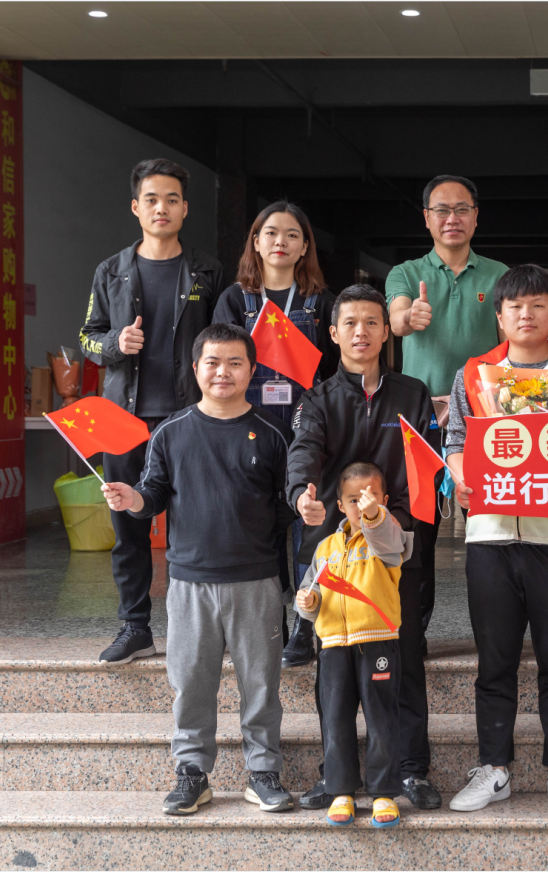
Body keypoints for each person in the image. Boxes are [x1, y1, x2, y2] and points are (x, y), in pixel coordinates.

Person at [100, 323, 295, 816]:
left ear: (252, 370)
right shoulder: (171, 431)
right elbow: (153, 493)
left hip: (256, 580)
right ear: (195, 368)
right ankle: (191, 773)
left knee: (261, 685)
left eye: (234, 362)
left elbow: (286, 506)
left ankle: (263, 773)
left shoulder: (274, 433)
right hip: (189, 583)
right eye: (212, 362)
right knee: (191, 683)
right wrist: (132, 499)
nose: (222, 372)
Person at [445, 265, 548, 814]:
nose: (526, 314)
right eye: (515, 306)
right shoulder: (474, 373)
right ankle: (494, 769)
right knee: (495, 659)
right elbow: (457, 439)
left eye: (538, 305)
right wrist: (461, 477)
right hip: (490, 535)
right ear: (499, 316)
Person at [285, 285, 439, 813]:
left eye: (372, 322)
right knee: (333, 672)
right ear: (333, 333)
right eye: (350, 323)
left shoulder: (412, 394)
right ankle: (337, 778)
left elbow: (425, 464)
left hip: (395, 550)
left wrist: (399, 525)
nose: (361, 332)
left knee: (405, 660)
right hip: (335, 551)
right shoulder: (317, 399)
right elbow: (303, 453)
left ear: (387, 330)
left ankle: (410, 770)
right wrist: (302, 496)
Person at [80, 158, 226, 666]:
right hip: (123, 418)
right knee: (128, 524)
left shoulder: (207, 271)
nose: (161, 208)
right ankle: (135, 626)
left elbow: (224, 338)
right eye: (151, 199)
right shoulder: (111, 271)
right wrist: (115, 344)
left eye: (171, 199)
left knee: (197, 522)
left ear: (185, 209)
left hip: (189, 417)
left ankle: (201, 627)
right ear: (135, 207)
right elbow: (87, 338)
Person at [212, 200, 338, 668]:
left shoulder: (321, 303)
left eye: (291, 234)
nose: (280, 241)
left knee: (309, 532)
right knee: (258, 533)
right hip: (251, 428)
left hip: (307, 429)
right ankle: (270, 626)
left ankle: (305, 627)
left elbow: (334, 370)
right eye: (270, 233)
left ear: (305, 246)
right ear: (256, 241)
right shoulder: (234, 299)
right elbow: (220, 364)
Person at [386, 174, 507, 645]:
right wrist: (407, 317)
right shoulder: (406, 272)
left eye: (461, 209)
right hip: (421, 420)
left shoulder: (498, 275)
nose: (451, 218)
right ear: (427, 218)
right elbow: (397, 318)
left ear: (476, 217)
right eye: (442, 210)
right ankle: (413, 636)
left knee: (489, 527)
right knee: (419, 529)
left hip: (483, 417)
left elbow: (509, 346)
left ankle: (494, 637)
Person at [295, 462, 414, 828]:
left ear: (384, 500)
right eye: (353, 500)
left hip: (378, 643)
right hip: (333, 645)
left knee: (381, 719)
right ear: (340, 505)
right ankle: (341, 790)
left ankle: (383, 793)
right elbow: (312, 593)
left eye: (370, 497)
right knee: (335, 719)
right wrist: (307, 603)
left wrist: (375, 516)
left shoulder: (390, 536)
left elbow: (390, 544)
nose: (362, 505)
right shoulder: (326, 548)